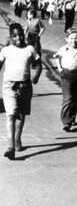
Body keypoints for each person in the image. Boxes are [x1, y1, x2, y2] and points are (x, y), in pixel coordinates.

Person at [0, 23, 42, 160]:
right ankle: (11, 147)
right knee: (10, 115)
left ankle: (17, 139)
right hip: (9, 86)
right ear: (10, 37)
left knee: (21, 116)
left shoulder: (30, 49)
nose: (18, 38)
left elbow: (38, 64)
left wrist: (36, 75)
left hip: (25, 86)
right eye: (15, 36)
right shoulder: (6, 51)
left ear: (24, 35)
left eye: (20, 35)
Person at [54, 28, 77, 132]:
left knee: (75, 97)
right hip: (66, 74)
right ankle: (66, 122)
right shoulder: (63, 49)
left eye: (76, 38)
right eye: (71, 38)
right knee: (68, 98)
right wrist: (60, 68)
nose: (74, 40)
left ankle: (72, 118)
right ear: (66, 39)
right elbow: (57, 57)